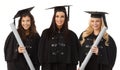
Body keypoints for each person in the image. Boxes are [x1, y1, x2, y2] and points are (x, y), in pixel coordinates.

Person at [38, 5, 80, 70]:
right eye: (57, 16)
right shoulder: (46, 33)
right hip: (49, 67)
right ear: (54, 18)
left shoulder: (72, 35)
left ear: (66, 18)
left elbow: (78, 53)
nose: (59, 19)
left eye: (62, 16)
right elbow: (40, 52)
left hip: (67, 67)